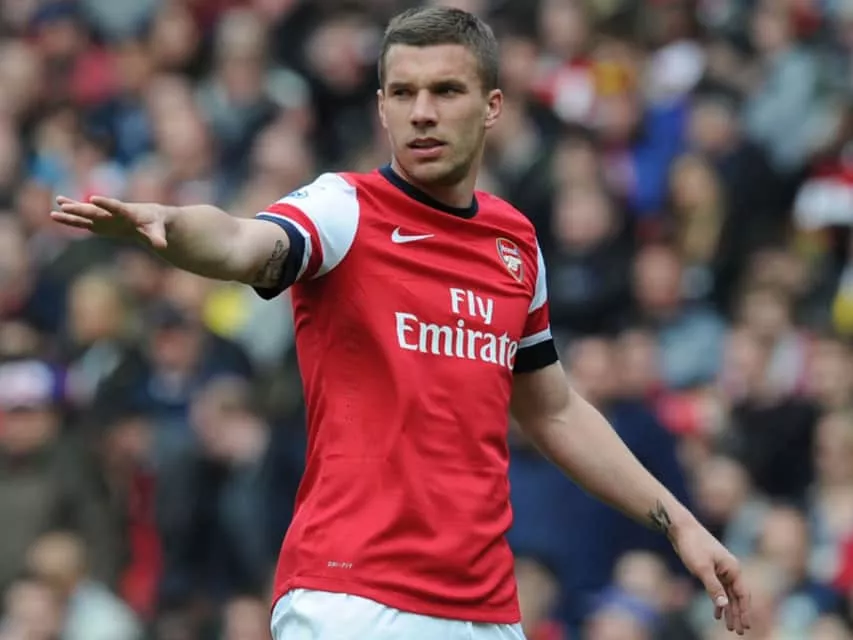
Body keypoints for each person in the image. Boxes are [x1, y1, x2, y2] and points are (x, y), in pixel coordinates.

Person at [50, 7, 751, 639]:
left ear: (492, 106)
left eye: (445, 91)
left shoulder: (514, 245)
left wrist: (680, 524)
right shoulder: (343, 210)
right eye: (402, 93)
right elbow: (242, 242)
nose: (422, 112)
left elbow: (554, 409)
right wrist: (175, 226)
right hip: (352, 599)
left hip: (485, 609)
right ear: (380, 107)